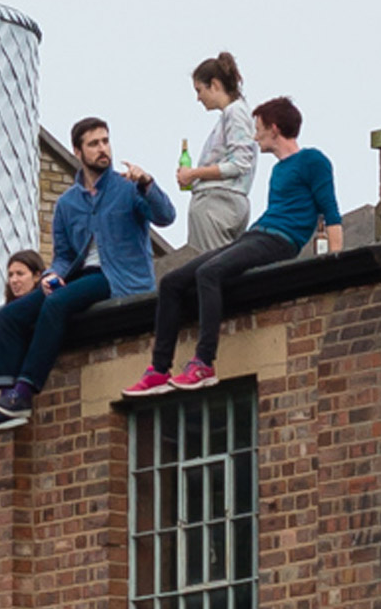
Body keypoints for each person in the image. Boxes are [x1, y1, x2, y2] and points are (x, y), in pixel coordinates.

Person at [127, 95, 341, 394]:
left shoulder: (313, 160)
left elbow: (331, 212)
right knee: (173, 282)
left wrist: (336, 263)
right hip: (256, 235)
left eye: (259, 129)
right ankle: (160, 370)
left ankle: (203, 363)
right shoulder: (279, 170)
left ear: (275, 129)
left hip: (281, 240)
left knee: (210, 273)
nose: (255, 136)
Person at [0, 119, 175, 432]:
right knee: (9, 316)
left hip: (118, 277)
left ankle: (25, 391)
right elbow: (64, 255)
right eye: (94, 144)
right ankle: (7, 396)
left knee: (57, 305)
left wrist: (147, 183)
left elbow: (166, 216)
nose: (103, 149)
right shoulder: (67, 203)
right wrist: (52, 274)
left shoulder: (128, 188)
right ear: (78, 151)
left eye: (105, 141)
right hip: (79, 275)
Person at [176, 50, 257, 253]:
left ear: (215, 85)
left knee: (211, 269)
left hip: (217, 204)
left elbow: (239, 163)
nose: (198, 98)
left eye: (199, 90)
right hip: (226, 202)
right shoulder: (233, 114)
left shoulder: (235, 112)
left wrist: (193, 174)